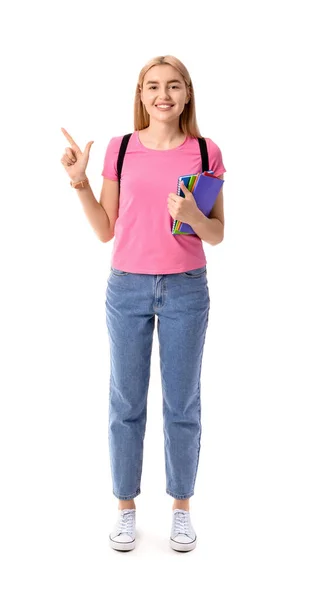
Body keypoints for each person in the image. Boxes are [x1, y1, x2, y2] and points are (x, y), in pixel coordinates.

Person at [60, 54, 226, 553]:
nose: (163, 95)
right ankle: (126, 508)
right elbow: (105, 230)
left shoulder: (204, 151)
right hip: (127, 286)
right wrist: (81, 181)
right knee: (126, 402)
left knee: (182, 403)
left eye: (174, 86)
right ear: (140, 94)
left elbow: (217, 234)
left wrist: (195, 215)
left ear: (187, 94)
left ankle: (181, 509)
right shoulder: (122, 148)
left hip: (185, 289)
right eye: (153, 86)